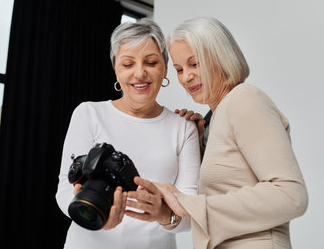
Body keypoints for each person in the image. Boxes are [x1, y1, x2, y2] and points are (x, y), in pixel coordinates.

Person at [126, 17, 308, 249]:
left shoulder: (244, 100)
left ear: (221, 56)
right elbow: (227, 195)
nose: (186, 77)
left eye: (195, 64)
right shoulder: (214, 119)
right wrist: (166, 213)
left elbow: (291, 195)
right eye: (179, 69)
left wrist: (186, 202)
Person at [55, 18, 201, 249]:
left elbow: (191, 212)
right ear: (115, 68)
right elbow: (65, 187)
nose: (140, 73)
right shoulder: (89, 114)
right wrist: (93, 216)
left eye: (151, 62)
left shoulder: (184, 127)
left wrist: (162, 214)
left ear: (164, 67)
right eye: (128, 64)